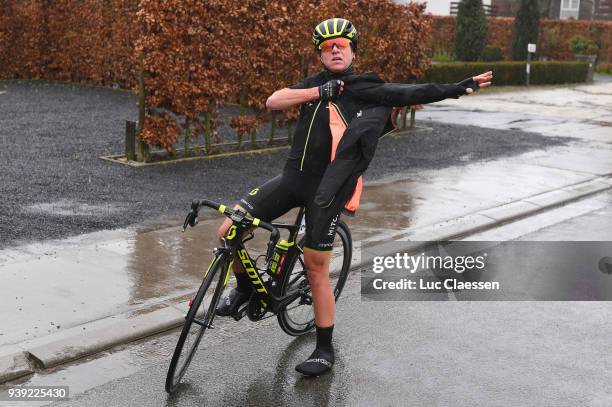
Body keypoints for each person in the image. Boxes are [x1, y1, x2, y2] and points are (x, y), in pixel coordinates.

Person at [215, 17, 493, 376]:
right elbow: (273, 100)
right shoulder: (313, 85)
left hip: (327, 191)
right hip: (291, 180)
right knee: (227, 231)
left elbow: (411, 92)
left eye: (341, 44)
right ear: (319, 54)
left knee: (316, 268)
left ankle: (323, 348)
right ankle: (242, 289)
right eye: (327, 45)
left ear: (352, 50)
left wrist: (458, 87)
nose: (334, 48)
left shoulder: (365, 87)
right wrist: (319, 92)